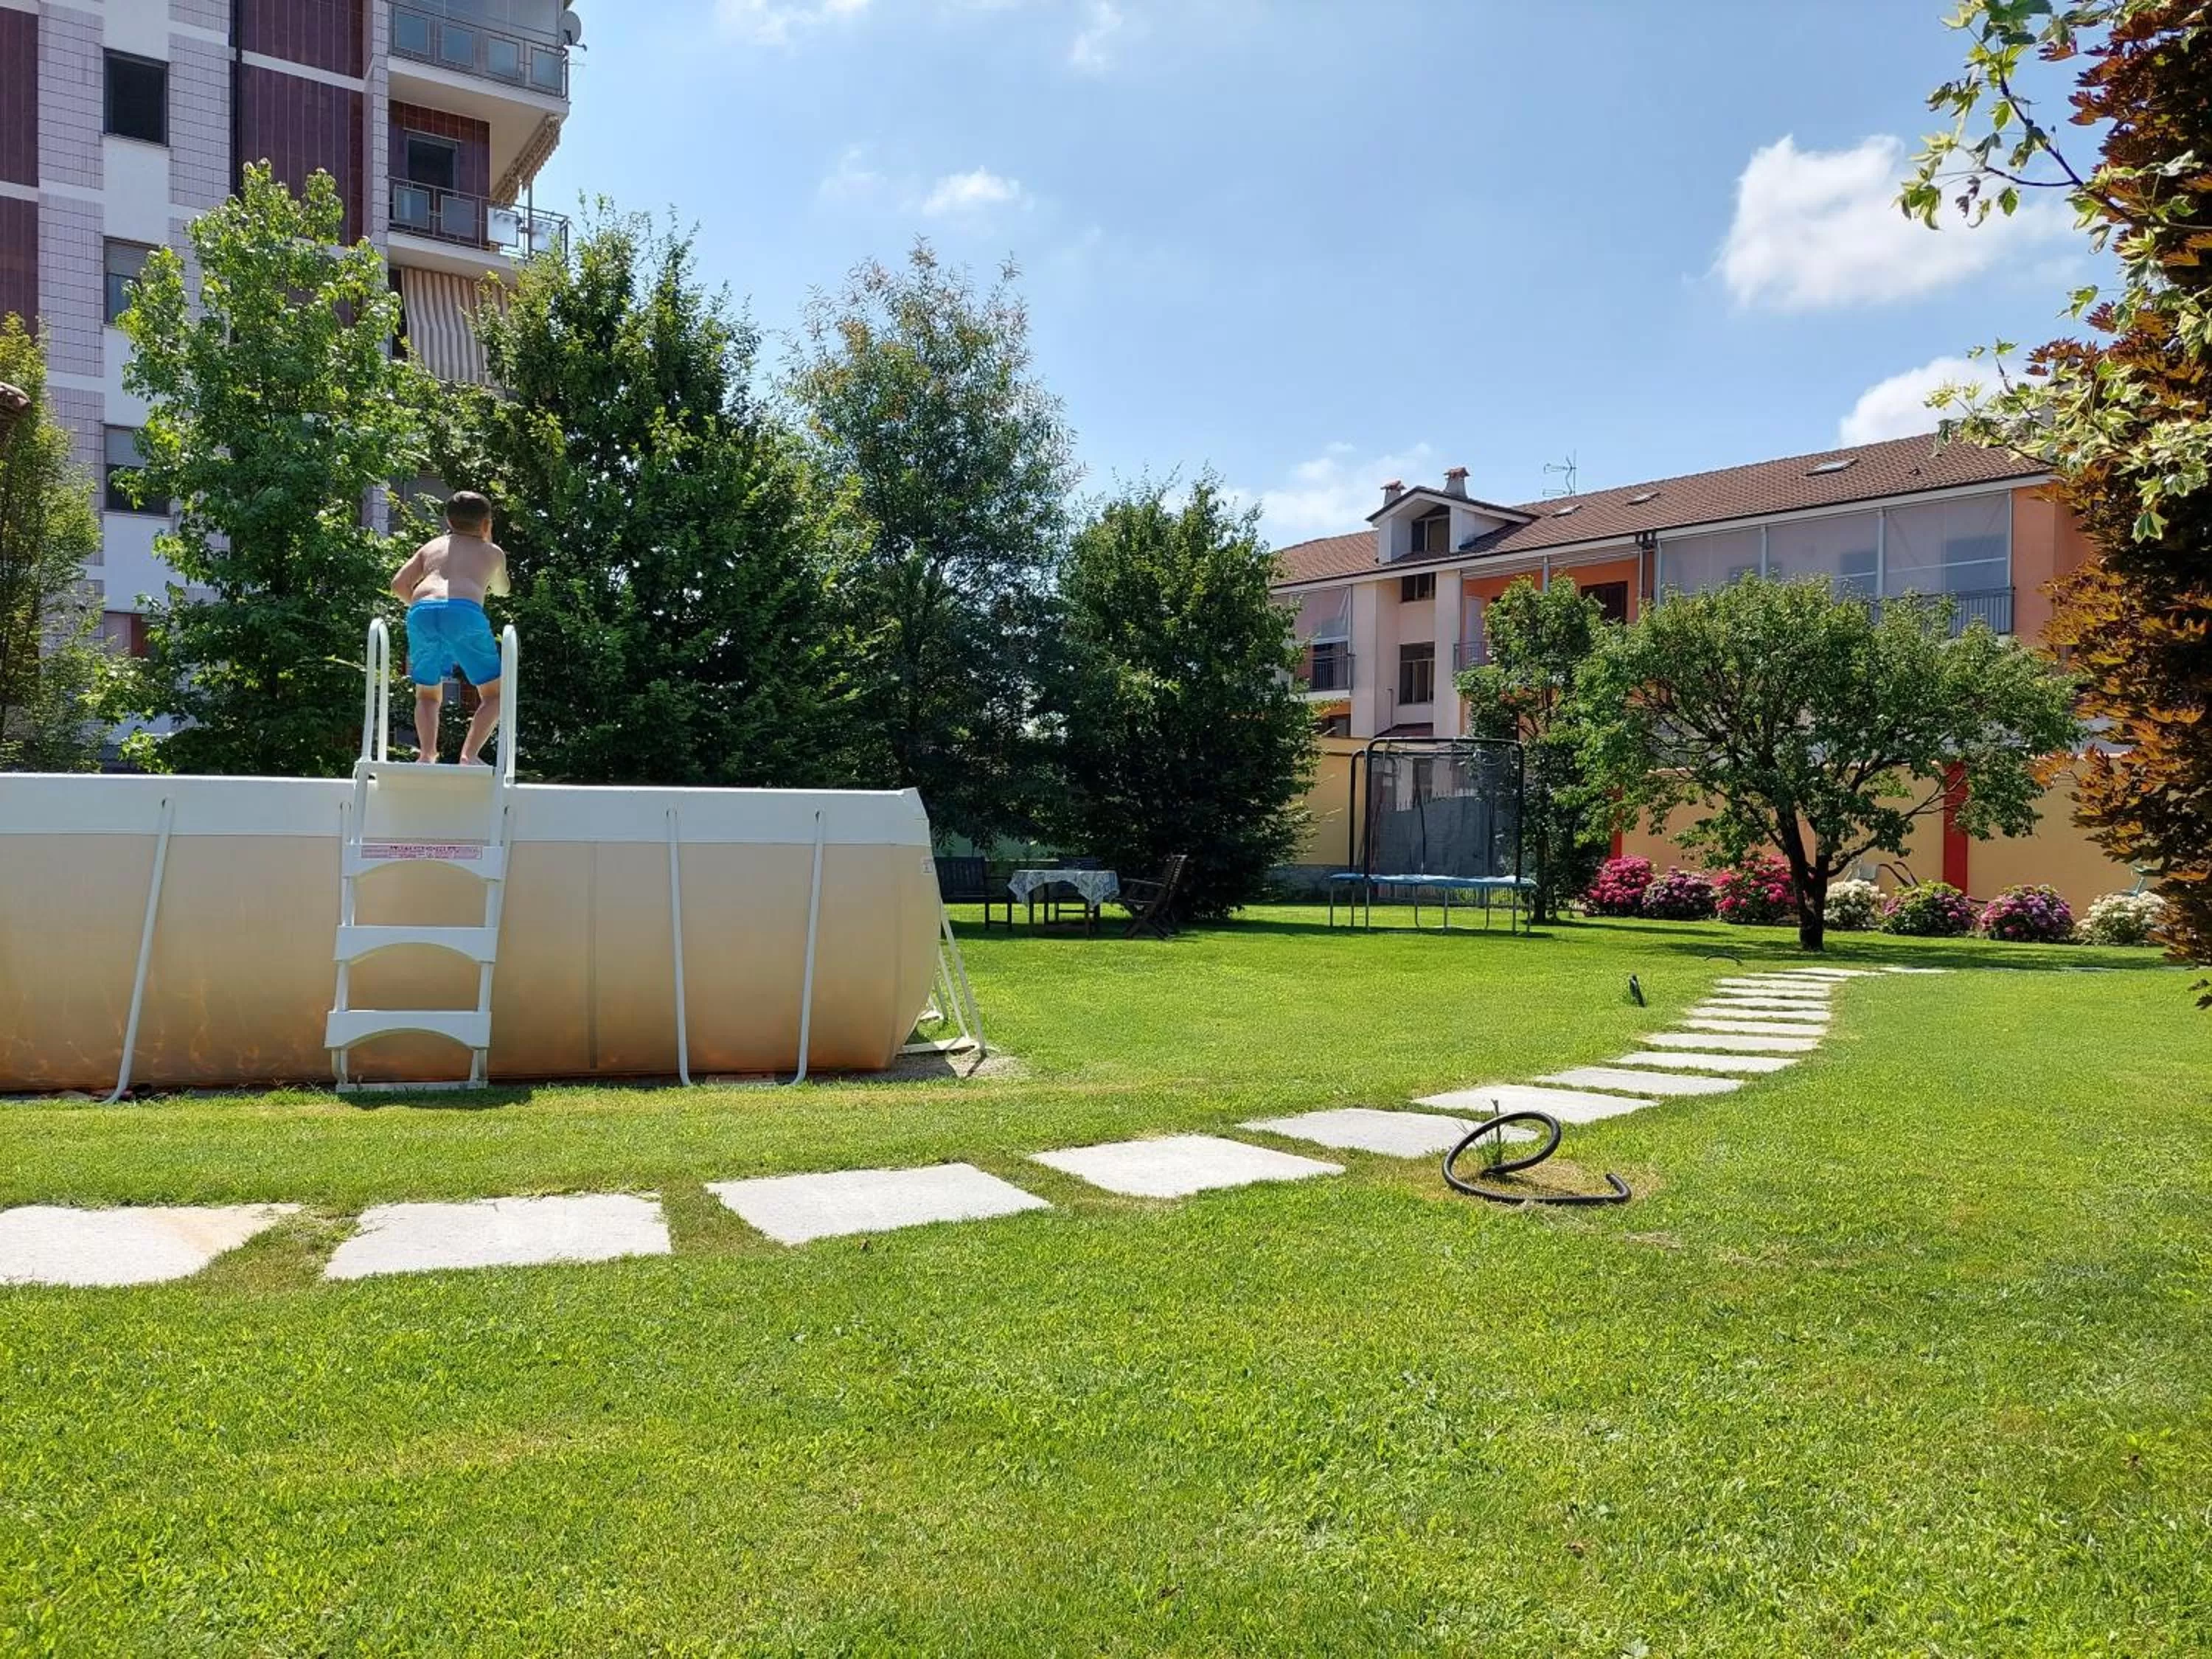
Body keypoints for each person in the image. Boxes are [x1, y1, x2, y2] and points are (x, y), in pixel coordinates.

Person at [389, 492, 511, 765]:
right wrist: (490, 549)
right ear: (486, 524)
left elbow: (398, 584)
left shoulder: (432, 546)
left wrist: (425, 609)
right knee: (495, 694)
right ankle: (469, 755)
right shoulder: (491, 552)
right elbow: (503, 591)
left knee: (428, 693)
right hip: (464, 613)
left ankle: (426, 754)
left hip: (422, 612)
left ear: (447, 520)